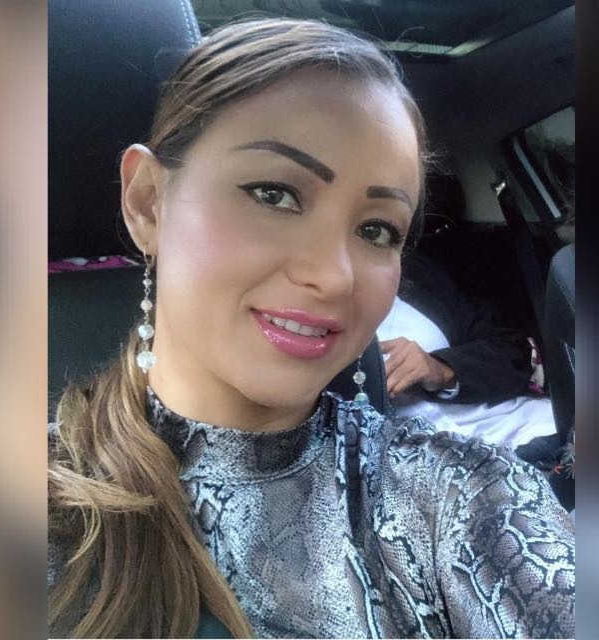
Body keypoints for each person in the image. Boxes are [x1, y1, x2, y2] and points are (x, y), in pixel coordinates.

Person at [48, 19, 574, 639]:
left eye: (377, 229)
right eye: (274, 194)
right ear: (147, 202)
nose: (334, 276)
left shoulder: (466, 495)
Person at [377, 250, 558, 450]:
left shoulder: (413, 275)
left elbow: (512, 350)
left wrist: (445, 370)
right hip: (436, 462)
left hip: (534, 429)